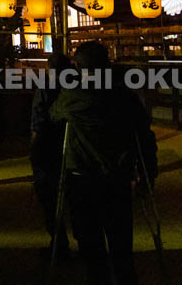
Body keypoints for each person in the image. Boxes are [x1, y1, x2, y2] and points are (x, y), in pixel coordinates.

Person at [50, 41, 157, 285]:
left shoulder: (71, 97)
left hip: (82, 178)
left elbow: (53, 115)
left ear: (79, 67)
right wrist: (149, 172)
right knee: (121, 246)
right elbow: (144, 135)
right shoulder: (124, 98)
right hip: (117, 177)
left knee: (92, 247)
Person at [29, 53, 71, 260]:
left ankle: (59, 242)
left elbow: (38, 123)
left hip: (48, 147)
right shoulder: (77, 88)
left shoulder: (46, 89)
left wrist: (34, 151)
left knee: (49, 198)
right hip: (71, 146)